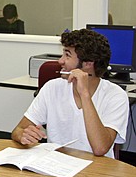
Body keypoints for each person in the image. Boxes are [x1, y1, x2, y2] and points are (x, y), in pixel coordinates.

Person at [11, 29, 129, 158]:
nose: (60, 61)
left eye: (67, 55)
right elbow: (17, 130)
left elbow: (100, 148)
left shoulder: (116, 95)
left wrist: (84, 94)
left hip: (96, 170)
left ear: (88, 63)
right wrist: (23, 135)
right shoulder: (52, 87)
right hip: (57, 164)